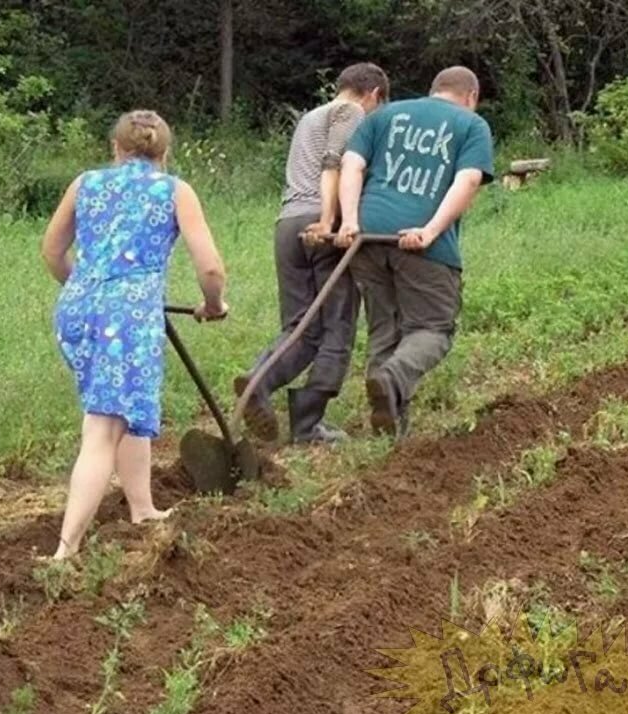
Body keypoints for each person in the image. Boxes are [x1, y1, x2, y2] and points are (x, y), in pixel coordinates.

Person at [42, 110, 228, 561]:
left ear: (115, 149)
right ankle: (65, 552)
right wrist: (214, 305)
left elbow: (52, 251)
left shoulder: (86, 183)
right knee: (103, 427)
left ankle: (142, 508)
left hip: (77, 310)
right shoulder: (173, 190)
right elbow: (210, 268)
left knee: (125, 408)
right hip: (126, 320)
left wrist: (90, 291)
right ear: (164, 153)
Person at [234, 63, 390, 445]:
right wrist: (329, 221)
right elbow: (334, 164)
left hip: (287, 222)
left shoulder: (310, 117)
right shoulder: (351, 112)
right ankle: (307, 425)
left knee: (300, 326)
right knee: (337, 327)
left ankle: (258, 381)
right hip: (320, 224)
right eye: (380, 106)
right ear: (373, 94)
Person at [336, 65, 494, 439]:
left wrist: (350, 221)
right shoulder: (472, 125)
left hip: (368, 237)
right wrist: (430, 231)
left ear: (434, 89)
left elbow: (352, 164)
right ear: (471, 97)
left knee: (384, 330)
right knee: (434, 328)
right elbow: (468, 178)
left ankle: (388, 430)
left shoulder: (385, 115)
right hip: (421, 244)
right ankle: (390, 381)